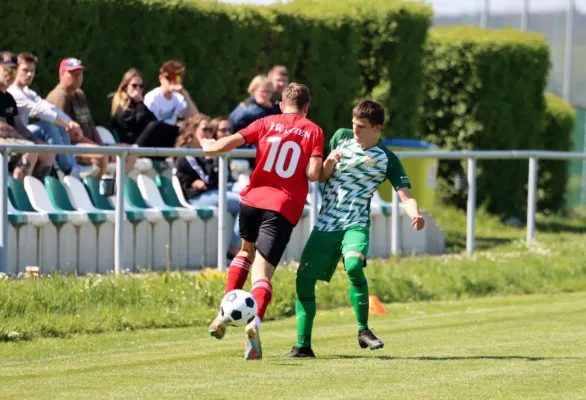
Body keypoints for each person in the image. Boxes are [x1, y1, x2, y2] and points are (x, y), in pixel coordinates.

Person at [287, 100, 425, 358]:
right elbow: (323, 176)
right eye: (354, 125)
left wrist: (415, 214)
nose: (356, 131)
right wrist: (329, 159)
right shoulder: (341, 138)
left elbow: (406, 196)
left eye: (362, 127)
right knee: (303, 280)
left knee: (352, 266)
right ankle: (303, 346)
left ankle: (363, 329)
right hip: (327, 222)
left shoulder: (387, 159)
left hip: (355, 223)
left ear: (378, 128)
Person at [202, 83, 324, 360]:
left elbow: (225, 144)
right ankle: (253, 323)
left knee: (245, 251)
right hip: (282, 206)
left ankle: (222, 315)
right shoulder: (313, 130)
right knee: (263, 273)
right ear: (306, 108)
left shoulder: (266, 121)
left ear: (281, 105)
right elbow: (315, 174)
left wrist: (209, 145)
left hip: (252, 201)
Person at [9, 52, 98, 178]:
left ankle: (71, 166)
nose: (29, 74)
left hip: (22, 134)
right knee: (48, 126)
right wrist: (68, 124)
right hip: (13, 136)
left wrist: (70, 123)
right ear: (16, 70)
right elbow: (39, 110)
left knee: (57, 126)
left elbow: (48, 107)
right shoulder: (13, 92)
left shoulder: (28, 91)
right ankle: (70, 169)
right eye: (25, 70)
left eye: (32, 70)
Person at [46, 57, 137, 176]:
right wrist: (99, 149)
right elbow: (69, 135)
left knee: (132, 152)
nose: (77, 77)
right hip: (70, 149)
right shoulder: (59, 97)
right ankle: (97, 192)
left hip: (88, 144)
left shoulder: (79, 94)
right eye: (72, 73)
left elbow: (90, 125)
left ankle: (115, 187)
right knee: (101, 156)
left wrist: (100, 145)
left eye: (79, 73)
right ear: (61, 74)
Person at [174, 114, 241, 258]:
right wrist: (210, 158)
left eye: (211, 130)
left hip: (210, 192)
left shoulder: (204, 152)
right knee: (245, 202)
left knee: (253, 195)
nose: (209, 134)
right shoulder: (187, 153)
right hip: (196, 197)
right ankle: (234, 248)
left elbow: (215, 180)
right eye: (205, 129)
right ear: (193, 131)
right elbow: (208, 180)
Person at [0, 51, 54, 181]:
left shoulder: (8, 98)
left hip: (8, 142)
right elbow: (2, 128)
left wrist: (36, 140)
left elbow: (18, 125)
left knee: (48, 152)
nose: (11, 75)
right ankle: (18, 196)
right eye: (7, 70)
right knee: (30, 151)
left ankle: (36, 194)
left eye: (14, 71)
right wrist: (28, 143)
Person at [110, 68, 181, 149]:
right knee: (155, 126)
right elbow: (134, 122)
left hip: (143, 143)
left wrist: (140, 103)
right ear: (126, 87)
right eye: (134, 86)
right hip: (130, 144)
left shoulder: (137, 104)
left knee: (174, 131)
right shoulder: (119, 103)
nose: (138, 89)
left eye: (141, 86)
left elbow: (152, 119)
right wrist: (140, 102)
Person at [143, 60, 198, 127]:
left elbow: (196, 118)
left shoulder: (178, 98)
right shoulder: (152, 97)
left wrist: (184, 93)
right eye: (169, 78)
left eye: (177, 78)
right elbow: (148, 125)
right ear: (161, 78)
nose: (173, 81)